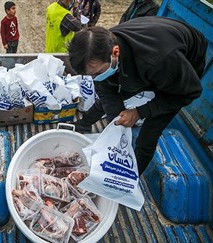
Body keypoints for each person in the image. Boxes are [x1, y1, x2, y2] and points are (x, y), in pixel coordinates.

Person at [68, 16, 207, 175]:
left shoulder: (158, 60)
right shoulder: (101, 47)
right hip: (147, 53)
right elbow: (106, 91)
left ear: (115, 52)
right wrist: (117, 122)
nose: (94, 78)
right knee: (110, 95)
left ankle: (131, 179)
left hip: (181, 66)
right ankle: (84, 124)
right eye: (90, 75)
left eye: (98, 73)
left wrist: (140, 112)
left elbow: (190, 92)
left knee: (148, 135)